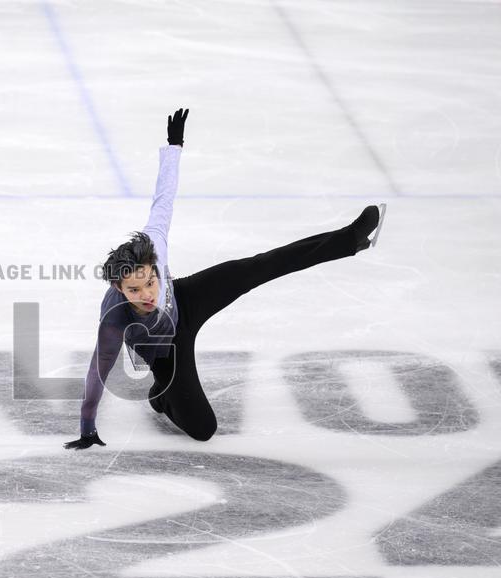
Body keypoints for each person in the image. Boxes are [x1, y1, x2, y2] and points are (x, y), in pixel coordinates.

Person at [64, 108, 385, 449]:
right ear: (118, 288)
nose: (145, 294)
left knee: (258, 266)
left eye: (149, 282)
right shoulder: (114, 322)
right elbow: (96, 373)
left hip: (185, 299)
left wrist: (175, 145)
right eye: (134, 290)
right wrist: (87, 427)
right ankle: (160, 396)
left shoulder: (153, 244)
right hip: (166, 351)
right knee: (204, 429)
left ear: (155, 267)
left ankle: (350, 238)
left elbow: (164, 198)